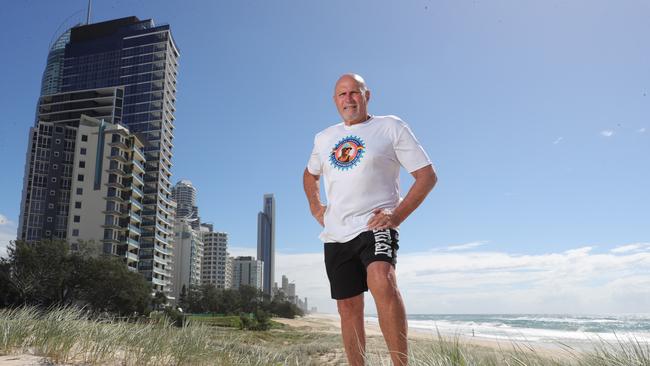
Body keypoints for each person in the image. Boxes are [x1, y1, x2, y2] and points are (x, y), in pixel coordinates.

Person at [303, 73, 437, 365]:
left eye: (354, 92)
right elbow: (309, 174)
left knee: (382, 278)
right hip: (337, 233)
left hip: (375, 223)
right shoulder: (324, 138)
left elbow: (426, 176)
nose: (348, 99)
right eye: (342, 94)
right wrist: (316, 208)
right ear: (335, 100)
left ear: (367, 95)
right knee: (348, 306)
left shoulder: (390, 127)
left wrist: (396, 215)